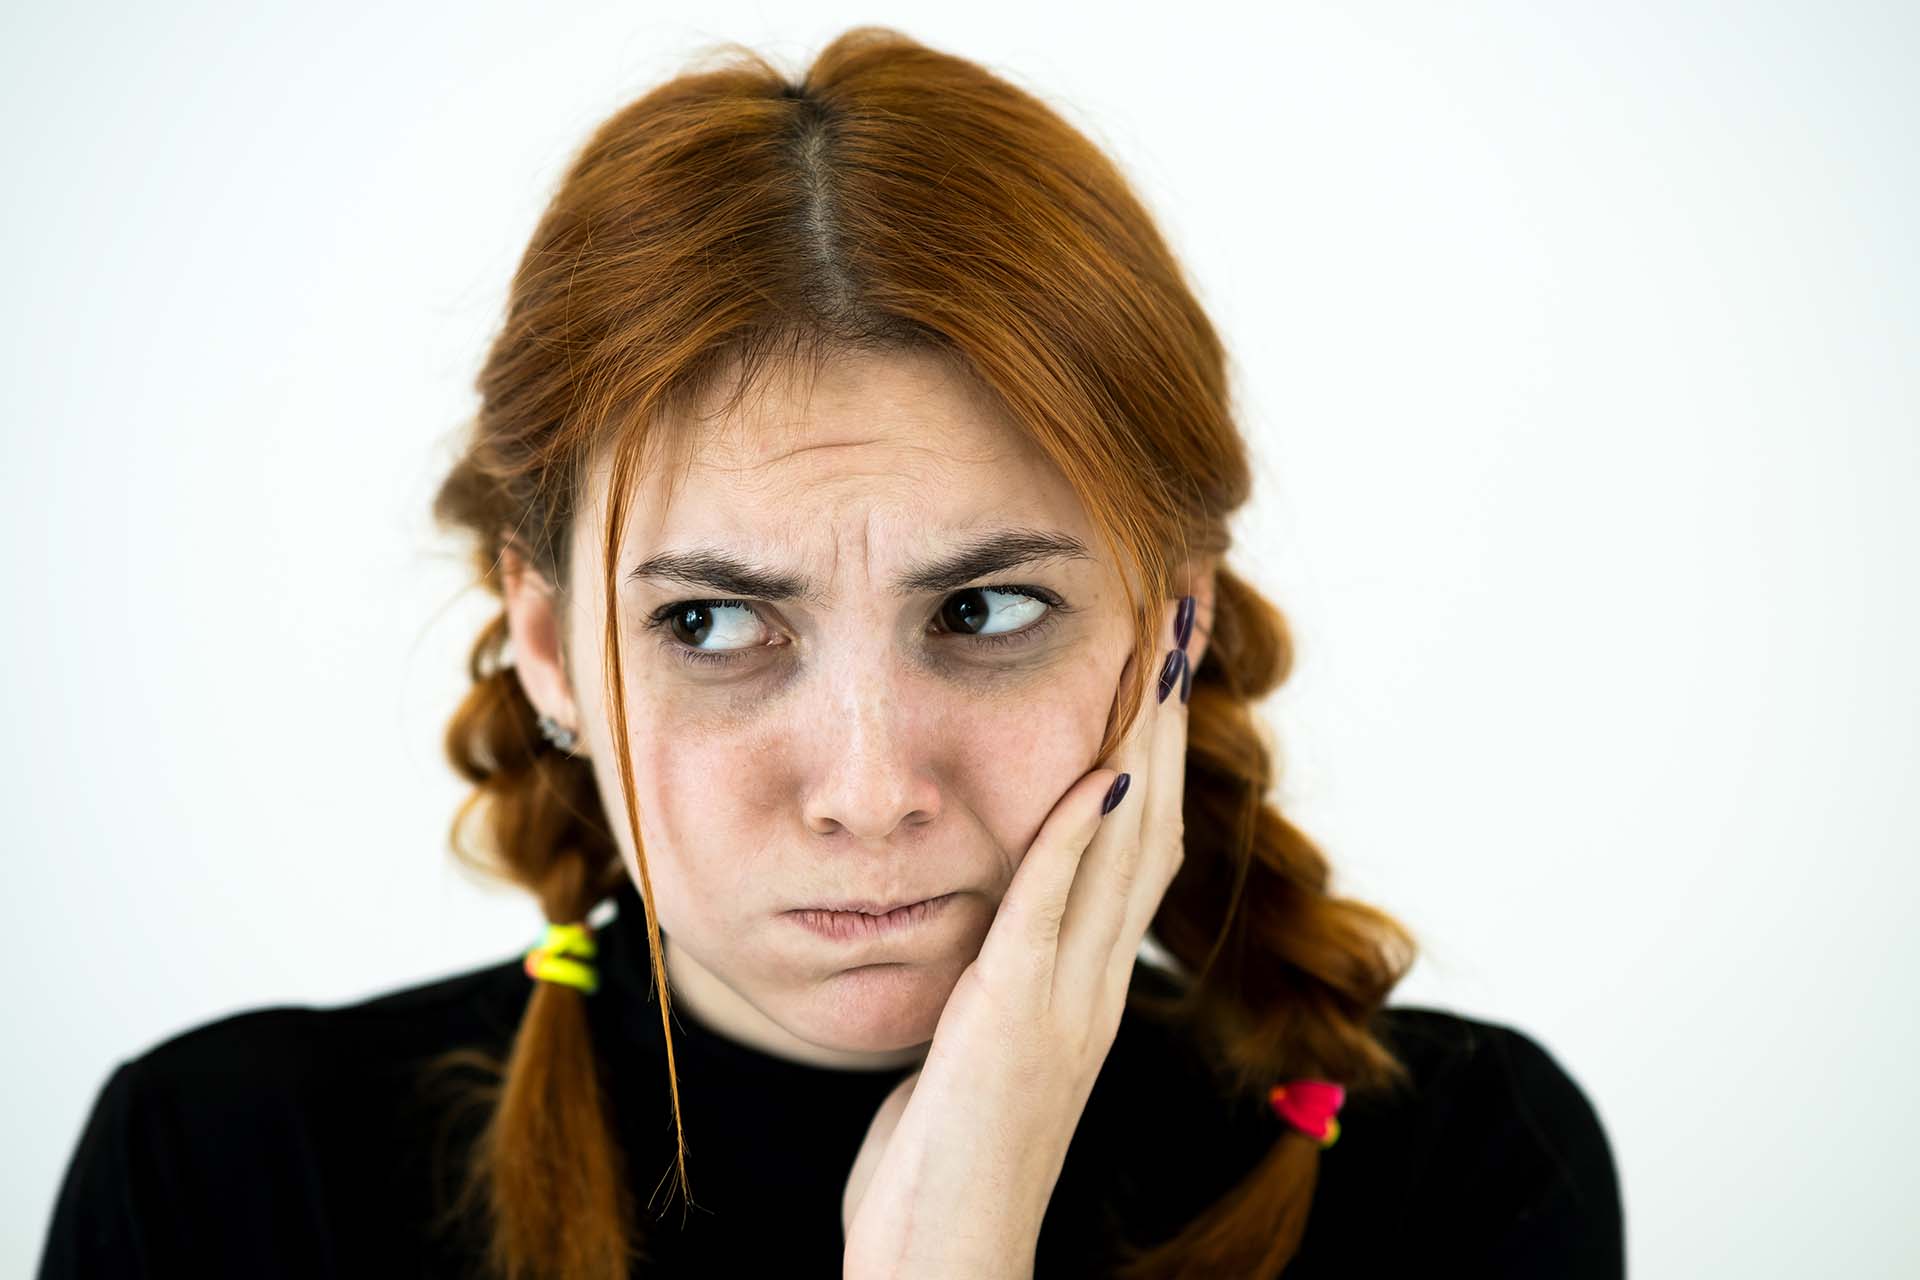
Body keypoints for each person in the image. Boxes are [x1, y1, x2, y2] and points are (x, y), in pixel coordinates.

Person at [35, 25, 1623, 1280]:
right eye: (714, 623)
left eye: (986, 611)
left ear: (1173, 628)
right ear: (549, 649)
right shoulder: (226, 1179)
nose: (869, 791)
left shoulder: (1453, 1174)